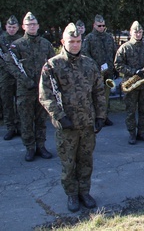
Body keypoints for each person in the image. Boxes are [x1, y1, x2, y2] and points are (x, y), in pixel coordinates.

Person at [39, 23, 106, 212]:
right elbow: (45, 95)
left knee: (86, 161)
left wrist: (100, 115)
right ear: (63, 42)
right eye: (71, 41)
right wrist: (60, 117)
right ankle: (71, 194)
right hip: (66, 126)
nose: (75, 45)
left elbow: (99, 91)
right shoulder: (52, 66)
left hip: (86, 123)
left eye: (78, 41)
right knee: (68, 163)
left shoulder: (89, 64)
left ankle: (84, 191)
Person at [8, 12, 55, 161]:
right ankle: (30, 147)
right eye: (29, 24)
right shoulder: (17, 45)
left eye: (34, 24)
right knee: (26, 120)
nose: (32, 26)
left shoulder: (45, 44)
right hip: (25, 89)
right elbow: (12, 66)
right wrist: (25, 81)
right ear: (23, 27)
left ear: (38, 26)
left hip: (42, 89)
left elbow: (53, 64)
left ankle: (41, 146)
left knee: (41, 120)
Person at [114, 21, 144, 145]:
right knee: (130, 111)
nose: (138, 34)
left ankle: (141, 132)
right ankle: (132, 133)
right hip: (131, 84)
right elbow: (118, 65)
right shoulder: (125, 47)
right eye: (135, 32)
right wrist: (134, 72)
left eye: (140, 32)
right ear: (131, 32)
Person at [82, 14, 117, 126]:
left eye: (103, 25)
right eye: (99, 25)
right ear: (94, 25)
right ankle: (95, 117)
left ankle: (105, 116)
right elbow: (85, 54)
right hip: (96, 73)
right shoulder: (89, 38)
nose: (102, 27)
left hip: (109, 71)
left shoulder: (109, 37)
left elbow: (114, 53)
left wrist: (115, 68)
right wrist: (95, 67)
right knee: (95, 95)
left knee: (106, 95)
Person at [1, 16, 22, 140]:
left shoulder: (20, 41)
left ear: (18, 28)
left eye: (14, 27)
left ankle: (20, 126)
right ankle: (10, 127)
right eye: (9, 27)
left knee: (20, 102)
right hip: (5, 76)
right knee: (7, 102)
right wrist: (8, 66)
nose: (11, 29)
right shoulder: (1, 39)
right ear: (6, 27)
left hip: (19, 76)